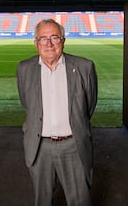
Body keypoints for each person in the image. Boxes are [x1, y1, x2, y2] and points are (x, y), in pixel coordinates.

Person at [17, 19, 98, 206]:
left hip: (73, 146)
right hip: (39, 147)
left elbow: (88, 107)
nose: (49, 44)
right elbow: (27, 103)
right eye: (43, 38)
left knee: (80, 201)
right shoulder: (24, 68)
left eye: (54, 37)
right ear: (35, 43)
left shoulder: (84, 67)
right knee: (42, 200)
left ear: (63, 40)